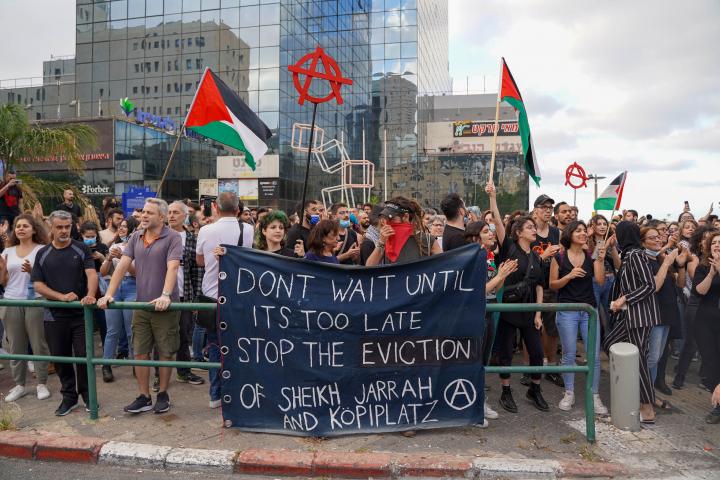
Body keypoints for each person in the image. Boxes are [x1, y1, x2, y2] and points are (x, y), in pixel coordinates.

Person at [98, 198, 183, 415]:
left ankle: (163, 394)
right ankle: (144, 396)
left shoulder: (173, 237)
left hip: (165, 306)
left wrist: (165, 295)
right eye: (143, 212)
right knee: (140, 353)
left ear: (161, 217)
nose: (144, 216)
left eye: (149, 213)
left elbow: (172, 267)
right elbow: (122, 266)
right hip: (142, 304)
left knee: (164, 352)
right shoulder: (136, 236)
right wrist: (108, 294)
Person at [31, 210, 98, 416]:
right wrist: (61, 297)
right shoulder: (42, 253)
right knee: (61, 359)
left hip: (80, 315)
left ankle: (88, 396)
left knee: (84, 356)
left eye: (67, 227)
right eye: (59, 227)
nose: (63, 231)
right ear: (51, 227)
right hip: (53, 315)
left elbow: (91, 273)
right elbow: (38, 285)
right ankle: (69, 397)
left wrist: (90, 295)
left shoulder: (80, 249)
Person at [195, 191, 254, 408]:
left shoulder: (206, 230)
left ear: (216, 209)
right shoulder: (247, 229)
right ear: (238, 210)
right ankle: (236, 392)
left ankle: (215, 394)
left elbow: (200, 261)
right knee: (237, 345)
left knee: (213, 346)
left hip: (212, 295)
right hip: (238, 296)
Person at [603, 221, 661, 424]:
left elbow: (649, 285)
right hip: (630, 316)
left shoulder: (636, 254)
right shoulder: (629, 255)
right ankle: (635, 398)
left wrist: (624, 298)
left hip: (640, 316)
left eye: (618, 234)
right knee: (610, 343)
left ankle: (646, 407)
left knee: (640, 360)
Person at [549, 220, 608, 415]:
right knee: (569, 353)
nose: (583, 233)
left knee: (594, 356)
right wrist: (569, 276)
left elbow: (599, 282)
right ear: (570, 234)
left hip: (588, 311)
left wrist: (600, 260)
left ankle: (594, 394)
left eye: (584, 231)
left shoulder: (591, 257)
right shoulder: (559, 256)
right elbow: (553, 285)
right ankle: (569, 392)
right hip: (567, 311)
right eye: (579, 231)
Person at [494, 215, 547, 413]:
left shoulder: (536, 257)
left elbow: (540, 286)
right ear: (518, 232)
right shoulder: (510, 248)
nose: (534, 230)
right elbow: (498, 223)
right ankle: (505, 391)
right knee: (506, 353)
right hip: (509, 311)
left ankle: (535, 389)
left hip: (529, 312)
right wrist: (492, 197)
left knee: (537, 353)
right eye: (529, 227)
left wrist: (538, 314)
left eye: (535, 227)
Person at [0, 214, 52, 402]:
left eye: (25, 226)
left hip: (35, 301)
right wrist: (2, 270)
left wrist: (33, 272)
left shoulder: (42, 249)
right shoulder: (8, 251)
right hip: (11, 301)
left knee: (38, 344)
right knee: (16, 346)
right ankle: (19, 385)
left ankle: (42, 383)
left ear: (34, 229)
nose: (21, 229)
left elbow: (49, 278)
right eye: (18, 226)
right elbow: (3, 282)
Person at [640, 225, 684, 403]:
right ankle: (644, 395)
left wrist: (673, 261)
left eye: (659, 237)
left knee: (656, 357)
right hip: (654, 314)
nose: (658, 240)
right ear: (642, 242)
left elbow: (677, 282)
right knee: (651, 358)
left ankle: (648, 392)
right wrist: (667, 261)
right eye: (652, 238)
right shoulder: (643, 260)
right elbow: (654, 287)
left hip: (667, 312)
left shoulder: (659, 257)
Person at [164, 201, 205, 387]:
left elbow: (197, 271)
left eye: (175, 212)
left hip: (185, 294)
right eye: (169, 212)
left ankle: (184, 371)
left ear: (184, 216)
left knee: (184, 335)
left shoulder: (192, 239)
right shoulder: (160, 236)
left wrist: (196, 298)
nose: (171, 215)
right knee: (162, 336)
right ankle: (159, 375)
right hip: (162, 295)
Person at [98, 217, 138, 382]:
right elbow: (103, 272)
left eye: (125, 227)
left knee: (131, 330)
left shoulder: (138, 246)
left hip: (132, 286)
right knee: (112, 330)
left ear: (133, 229)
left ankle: (137, 364)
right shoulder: (114, 245)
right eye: (120, 226)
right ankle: (106, 365)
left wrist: (123, 257)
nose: (121, 229)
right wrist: (108, 258)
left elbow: (137, 273)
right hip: (114, 287)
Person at [531, 195, 564, 388]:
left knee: (551, 329)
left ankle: (550, 366)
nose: (547, 210)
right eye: (544, 207)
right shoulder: (528, 229)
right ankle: (530, 369)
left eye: (550, 207)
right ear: (535, 210)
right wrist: (542, 257)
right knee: (531, 328)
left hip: (549, 285)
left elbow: (560, 258)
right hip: (531, 285)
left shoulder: (555, 233)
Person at [365, 197, 442, 267]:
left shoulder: (427, 240)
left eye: (392, 219)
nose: (388, 223)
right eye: (386, 219)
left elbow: (443, 266)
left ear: (405, 217)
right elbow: (369, 266)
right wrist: (381, 242)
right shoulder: (387, 239)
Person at [691, 232, 720, 409]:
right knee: (710, 364)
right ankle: (717, 405)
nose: (717, 245)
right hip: (705, 322)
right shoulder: (702, 267)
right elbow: (699, 292)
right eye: (714, 242)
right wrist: (711, 273)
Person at [587, 215, 621, 334]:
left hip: (611, 279)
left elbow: (618, 265)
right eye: (599, 224)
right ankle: (595, 341)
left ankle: (609, 339)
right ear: (593, 226)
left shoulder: (611, 242)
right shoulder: (587, 241)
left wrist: (613, 248)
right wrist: (605, 244)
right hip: (594, 281)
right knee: (594, 312)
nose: (602, 226)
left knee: (610, 312)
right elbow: (594, 258)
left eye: (604, 224)